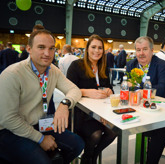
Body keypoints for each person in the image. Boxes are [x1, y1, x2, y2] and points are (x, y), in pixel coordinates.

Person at [0, 29, 85, 164]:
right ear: (29, 48)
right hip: (9, 131)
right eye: (41, 47)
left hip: (38, 124)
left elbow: (74, 90)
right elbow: (8, 119)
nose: (47, 53)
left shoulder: (53, 70)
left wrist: (64, 104)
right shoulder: (12, 74)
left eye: (51, 48)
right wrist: (40, 139)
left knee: (78, 144)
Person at [67, 34, 116, 164]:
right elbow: (67, 89)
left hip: (100, 113)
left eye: (100, 48)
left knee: (113, 132)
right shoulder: (76, 65)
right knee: (96, 134)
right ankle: (88, 158)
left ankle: (93, 154)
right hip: (80, 115)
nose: (97, 50)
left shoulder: (103, 67)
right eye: (93, 47)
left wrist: (109, 91)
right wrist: (85, 92)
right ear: (87, 48)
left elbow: (111, 89)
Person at [126, 36, 165, 164]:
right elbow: (128, 87)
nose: (141, 53)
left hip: (158, 110)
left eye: (145, 49)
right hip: (136, 107)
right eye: (138, 50)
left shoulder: (162, 65)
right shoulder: (131, 64)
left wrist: (141, 91)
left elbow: (162, 89)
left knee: (160, 131)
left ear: (152, 50)